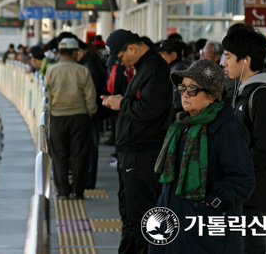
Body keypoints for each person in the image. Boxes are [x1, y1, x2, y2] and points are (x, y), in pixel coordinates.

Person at [150, 59, 255, 254]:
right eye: (182, 88)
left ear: (212, 96)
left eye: (192, 89)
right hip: (172, 226)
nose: (184, 94)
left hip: (205, 235)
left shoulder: (227, 130)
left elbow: (242, 181)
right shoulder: (182, 126)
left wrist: (208, 202)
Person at [101, 29, 173, 254]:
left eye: (121, 58)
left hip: (143, 154)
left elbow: (151, 109)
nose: (121, 63)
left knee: (142, 215)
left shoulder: (155, 68)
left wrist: (120, 104)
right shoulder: (144, 67)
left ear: (132, 48)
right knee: (130, 213)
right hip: (133, 153)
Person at [222, 29, 266, 254]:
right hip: (244, 186)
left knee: (251, 247)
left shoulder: (261, 94)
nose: (223, 62)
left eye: (228, 56)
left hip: (256, 188)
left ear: (246, 60)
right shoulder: (244, 92)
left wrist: (238, 169)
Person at [45, 38, 97, 200]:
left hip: (58, 118)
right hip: (79, 117)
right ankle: (77, 192)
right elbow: (90, 97)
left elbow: (46, 96)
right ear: (75, 53)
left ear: (60, 52)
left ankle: (62, 192)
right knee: (79, 155)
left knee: (59, 155)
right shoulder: (83, 71)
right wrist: (89, 114)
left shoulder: (51, 70)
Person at [77, 39, 108, 189]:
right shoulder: (90, 62)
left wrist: (89, 111)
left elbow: (91, 92)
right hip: (91, 111)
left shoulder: (89, 65)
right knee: (90, 146)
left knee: (90, 146)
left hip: (90, 112)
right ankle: (87, 179)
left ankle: (88, 181)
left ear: (80, 52)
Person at [157, 40, 190, 120]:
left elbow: (177, 103)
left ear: (174, 55)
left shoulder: (177, 70)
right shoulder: (176, 67)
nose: (159, 58)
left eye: (162, 55)